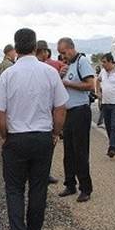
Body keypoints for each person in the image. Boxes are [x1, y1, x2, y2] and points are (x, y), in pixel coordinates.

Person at [0, 28, 68, 230]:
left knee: (14, 189)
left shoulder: (8, 75)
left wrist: (5, 136)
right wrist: (55, 133)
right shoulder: (50, 73)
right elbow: (61, 107)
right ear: (35, 47)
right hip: (42, 138)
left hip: (16, 139)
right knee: (38, 187)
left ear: (16, 48)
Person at [57, 37, 95, 202]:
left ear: (71, 49)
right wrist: (60, 77)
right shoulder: (69, 66)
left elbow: (90, 85)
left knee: (80, 151)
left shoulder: (82, 62)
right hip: (69, 113)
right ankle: (70, 184)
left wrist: (68, 84)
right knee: (68, 151)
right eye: (60, 54)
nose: (63, 57)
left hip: (80, 111)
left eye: (64, 53)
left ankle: (85, 188)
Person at [36, 40, 66, 184]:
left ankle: (35, 175)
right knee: (47, 151)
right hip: (45, 119)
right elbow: (60, 106)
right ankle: (44, 175)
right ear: (44, 52)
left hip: (22, 125)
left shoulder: (15, 70)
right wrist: (56, 132)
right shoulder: (51, 69)